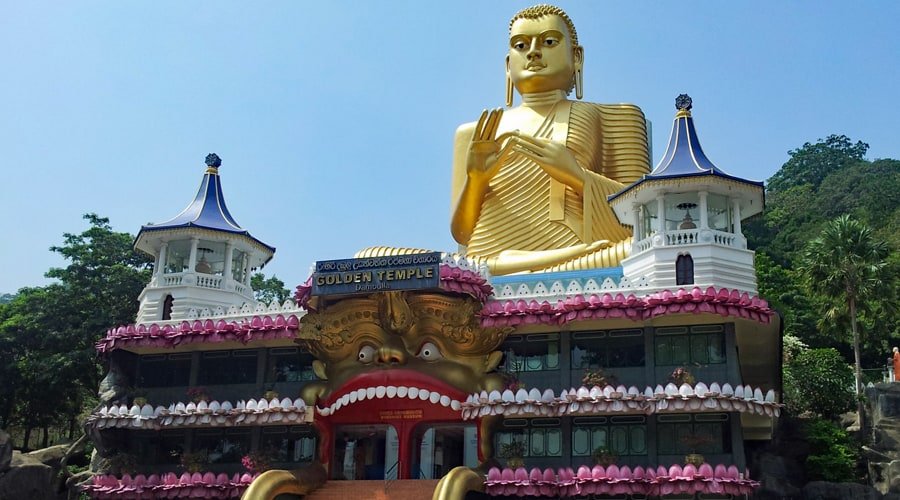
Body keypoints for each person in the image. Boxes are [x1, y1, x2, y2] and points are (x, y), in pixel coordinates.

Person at [449, 4, 651, 275]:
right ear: (508, 65)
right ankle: (502, 268)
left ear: (576, 57)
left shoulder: (615, 116)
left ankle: (514, 267)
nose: (533, 52)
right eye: (520, 45)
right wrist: (476, 181)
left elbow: (644, 220)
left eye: (549, 41)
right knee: (379, 257)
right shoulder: (475, 132)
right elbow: (462, 234)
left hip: (580, 258)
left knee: (644, 249)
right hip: (484, 261)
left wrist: (578, 177)